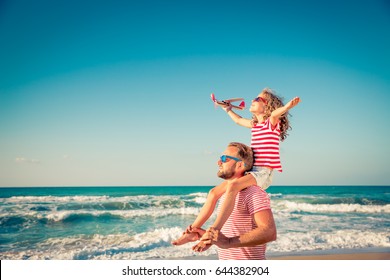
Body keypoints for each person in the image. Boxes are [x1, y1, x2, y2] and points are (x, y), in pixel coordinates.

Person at [172, 88, 300, 251]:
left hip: (262, 173)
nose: (253, 100)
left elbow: (276, 114)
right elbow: (239, 120)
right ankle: (192, 231)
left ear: (267, 107)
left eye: (258, 99)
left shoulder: (271, 123)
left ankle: (214, 230)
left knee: (232, 186)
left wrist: (288, 106)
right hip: (252, 171)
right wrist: (227, 109)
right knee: (213, 193)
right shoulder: (255, 125)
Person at [181, 142, 277, 259]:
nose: (219, 162)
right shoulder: (225, 195)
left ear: (240, 165)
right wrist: (209, 237)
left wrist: (228, 242)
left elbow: (269, 232)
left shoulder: (253, 192)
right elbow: (232, 233)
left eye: (224, 158)